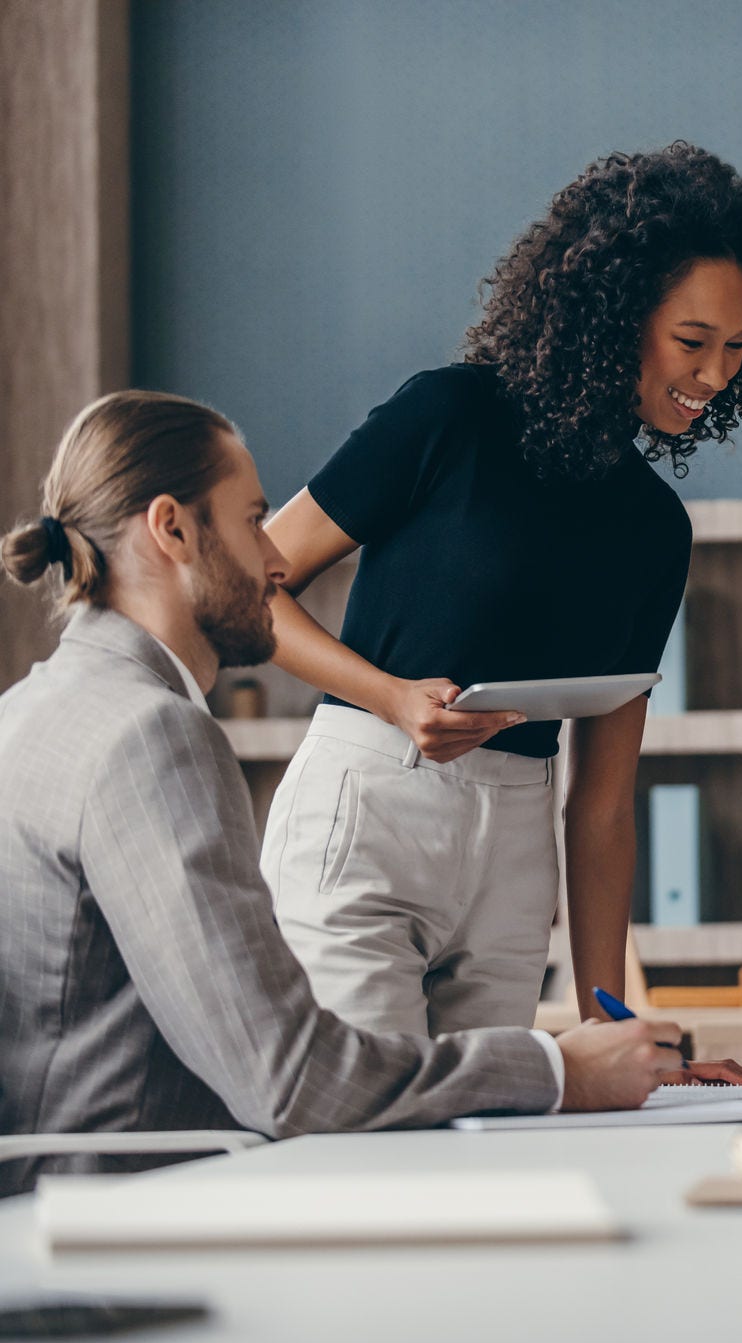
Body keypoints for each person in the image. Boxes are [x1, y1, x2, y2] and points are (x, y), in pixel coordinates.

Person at [0, 393, 691, 1198]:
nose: (278, 560)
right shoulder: (153, 737)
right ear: (173, 529)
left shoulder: (31, 709)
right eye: (254, 521)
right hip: (121, 1227)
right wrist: (555, 1067)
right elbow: (291, 1077)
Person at [258, 141, 742, 1037]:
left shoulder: (658, 529)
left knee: (486, 1146)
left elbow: (605, 803)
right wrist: (391, 696)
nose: (717, 375)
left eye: (737, 347)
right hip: (375, 801)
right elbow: (247, 588)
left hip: (517, 842)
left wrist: (605, 1013)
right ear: (614, 314)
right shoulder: (448, 415)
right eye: (693, 342)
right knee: (363, 1131)